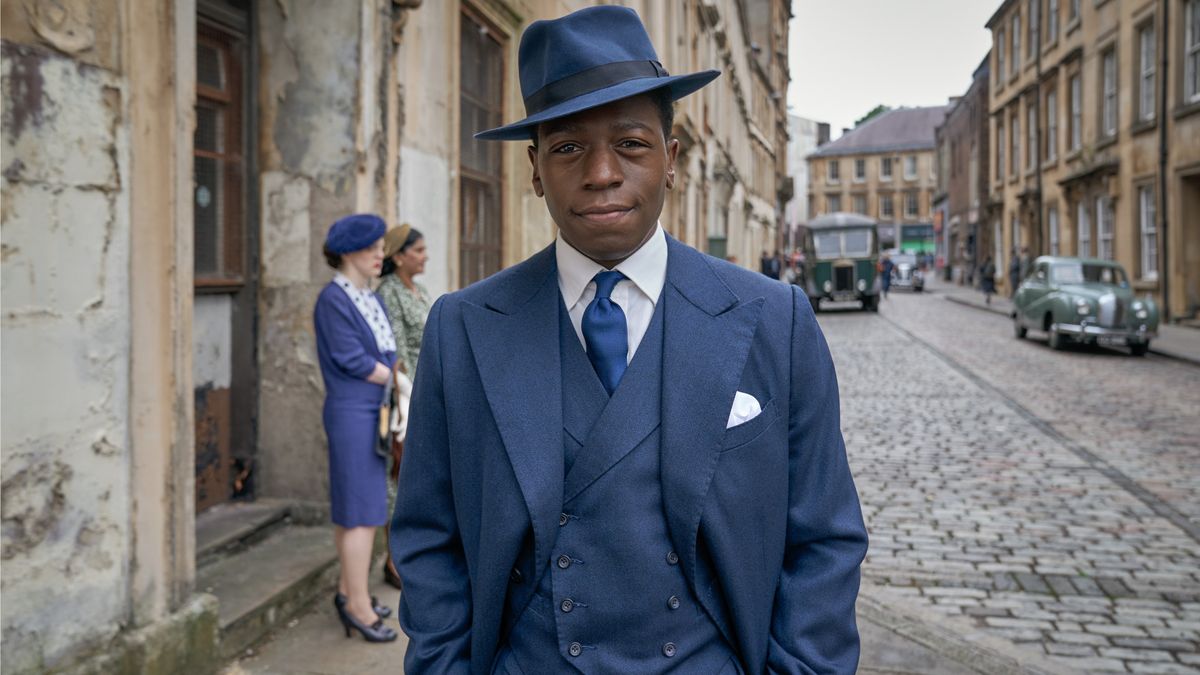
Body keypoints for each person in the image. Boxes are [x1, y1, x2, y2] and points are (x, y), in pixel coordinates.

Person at [390, 7, 866, 674]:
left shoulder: (774, 320)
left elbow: (825, 538)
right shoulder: (462, 329)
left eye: (632, 144)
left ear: (671, 159)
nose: (602, 172)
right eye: (568, 147)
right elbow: (427, 537)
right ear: (534, 170)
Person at [312, 213, 398, 643]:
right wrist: (399, 380)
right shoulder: (334, 300)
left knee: (359, 509)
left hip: (372, 410)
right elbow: (354, 359)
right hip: (351, 411)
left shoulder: (370, 297)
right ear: (349, 252)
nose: (381, 255)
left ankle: (350, 591)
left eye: (381, 247)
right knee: (361, 513)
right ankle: (359, 608)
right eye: (373, 248)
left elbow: (386, 350)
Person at [376, 223, 431, 589]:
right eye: (418, 250)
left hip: (426, 392)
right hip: (403, 397)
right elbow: (395, 351)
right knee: (397, 477)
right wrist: (406, 398)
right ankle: (392, 560)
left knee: (419, 479)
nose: (425, 256)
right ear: (398, 256)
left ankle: (412, 556)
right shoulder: (389, 291)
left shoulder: (420, 291)